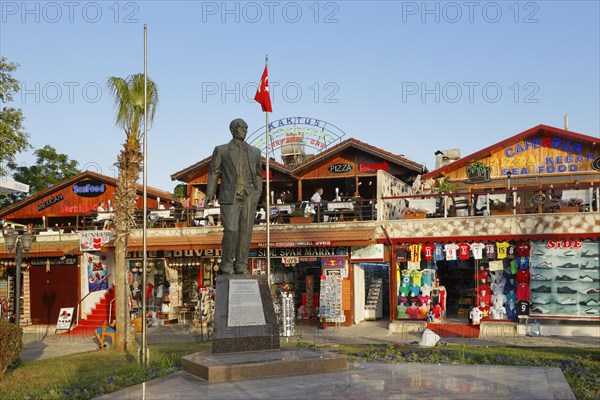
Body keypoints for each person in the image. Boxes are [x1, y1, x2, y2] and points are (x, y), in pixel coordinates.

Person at [205, 118, 263, 275]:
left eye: (246, 127)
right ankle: (227, 264)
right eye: (240, 127)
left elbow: (258, 174)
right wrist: (210, 192)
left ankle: (242, 265)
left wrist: (258, 191)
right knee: (231, 230)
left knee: (246, 231)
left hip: (250, 195)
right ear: (232, 129)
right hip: (229, 195)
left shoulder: (255, 152)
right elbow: (214, 171)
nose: (244, 130)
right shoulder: (222, 150)